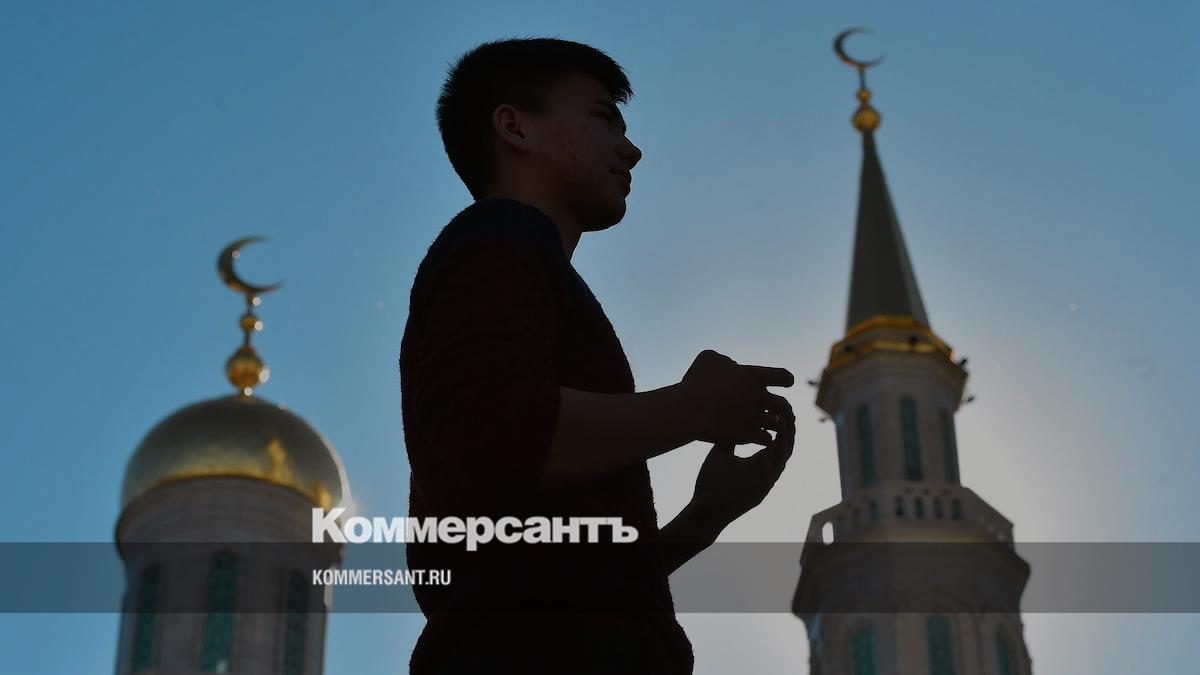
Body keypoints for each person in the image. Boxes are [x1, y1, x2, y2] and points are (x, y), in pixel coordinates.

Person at [399, 37, 797, 674]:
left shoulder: (522, 259)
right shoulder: (500, 237)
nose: (630, 149)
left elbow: (560, 578)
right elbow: (496, 429)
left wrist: (705, 516)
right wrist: (693, 408)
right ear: (514, 128)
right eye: (603, 118)